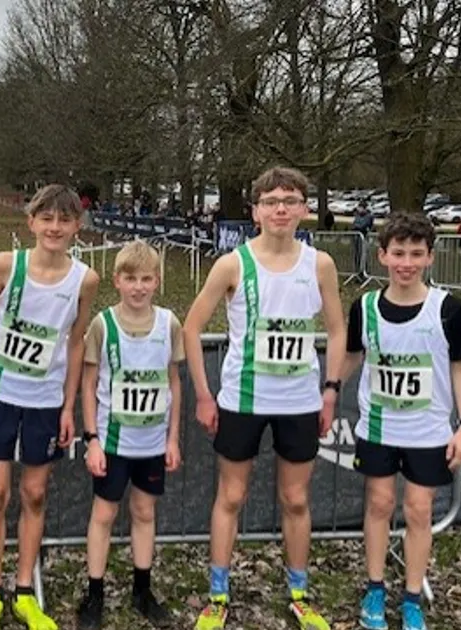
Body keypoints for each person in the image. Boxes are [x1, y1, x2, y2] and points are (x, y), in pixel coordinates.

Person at [183, 167, 346, 630]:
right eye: (271, 201)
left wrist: (330, 391)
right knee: (230, 495)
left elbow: (336, 330)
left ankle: (299, 593)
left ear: (304, 209)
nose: (280, 209)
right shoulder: (233, 264)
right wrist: (203, 394)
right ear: (255, 210)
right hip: (242, 400)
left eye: (290, 200)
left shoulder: (319, 265)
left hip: (299, 402)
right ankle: (217, 596)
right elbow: (191, 328)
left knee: (295, 499)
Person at [0, 183, 100, 630]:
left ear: (76, 227)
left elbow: (76, 342)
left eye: (64, 220)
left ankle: (24, 591)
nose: (55, 227)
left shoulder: (85, 278)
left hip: (44, 401)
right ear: (32, 222)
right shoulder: (6, 265)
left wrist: (67, 408)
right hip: (0, 394)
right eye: (47, 218)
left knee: (35, 493)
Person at [343, 212, 461, 630]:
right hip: (379, 429)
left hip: (429, 431)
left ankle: (413, 596)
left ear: (429, 258)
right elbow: (350, 358)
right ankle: (375, 589)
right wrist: (325, 394)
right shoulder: (363, 307)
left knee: (418, 511)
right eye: (398, 252)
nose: (406, 262)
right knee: (379, 505)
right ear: (382, 255)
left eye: (416, 254)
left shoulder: (448, 309)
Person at [74, 240, 184, 630]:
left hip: (152, 443)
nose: (138, 286)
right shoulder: (103, 325)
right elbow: (88, 386)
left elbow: (174, 383)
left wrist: (172, 439)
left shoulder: (169, 323)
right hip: (113, 442)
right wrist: (92, 439)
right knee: (103, 514)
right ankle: (95, 592)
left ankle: (142, 589)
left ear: (156, 281)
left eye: (146, 279)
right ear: (117, 281)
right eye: (130, 279)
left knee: (143, 512)